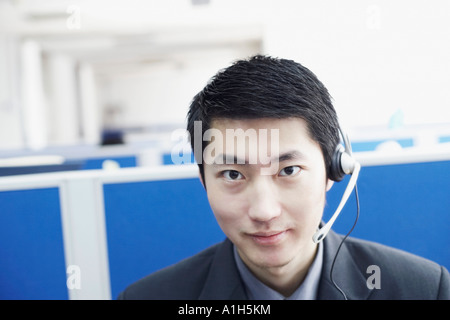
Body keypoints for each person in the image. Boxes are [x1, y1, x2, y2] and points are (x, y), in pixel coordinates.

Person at [118, 55, 450, 300]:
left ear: (334, 169)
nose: (264, 211)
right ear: (204, 181)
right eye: (233, 174)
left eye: (288, 170)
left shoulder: (422, 289)